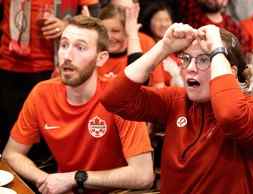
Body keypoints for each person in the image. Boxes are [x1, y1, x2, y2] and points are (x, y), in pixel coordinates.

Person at [100, 23, 253, 194]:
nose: (191, 68)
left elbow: (230, 114)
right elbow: (113, 99)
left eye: (204, 60)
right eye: (186, 59)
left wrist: (217, 49)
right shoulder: (176, 101)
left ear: (230, 72)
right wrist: (163, 47)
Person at [3, 15, 154, 194]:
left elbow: (144, 175)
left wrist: (75, 178)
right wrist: (45, 179)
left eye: (80, 48)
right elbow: (11, 154)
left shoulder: (120, 98)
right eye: (64, 45)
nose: (67, 56)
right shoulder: (42, 93)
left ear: (101, 58)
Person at [0, 0, 101, 153]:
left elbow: (94, 14)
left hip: (55, 68)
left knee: (47, 140)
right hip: (9, 65)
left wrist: (68, 26)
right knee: (9, 136)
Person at [98, 3, 166, 88]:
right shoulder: (94, 47)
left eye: (115, 31)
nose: (108, 37)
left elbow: (158, 86)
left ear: (127, 31)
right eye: (103, 31)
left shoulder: (145, 42)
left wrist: (132, 35)